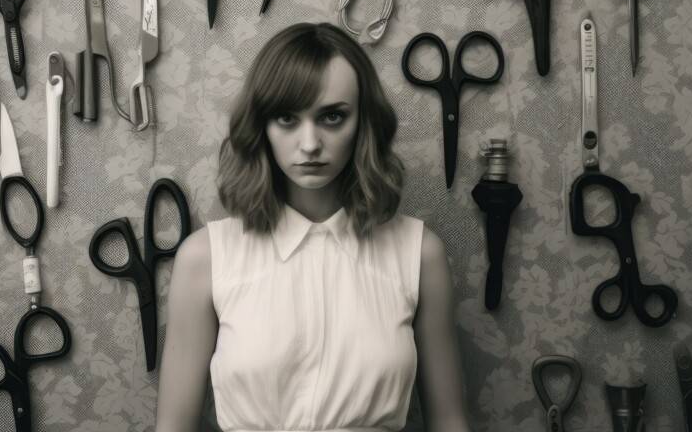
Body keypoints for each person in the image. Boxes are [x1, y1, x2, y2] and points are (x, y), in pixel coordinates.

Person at [156, 22, 471, 432]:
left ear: (363, 122)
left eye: (332, 117)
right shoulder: (204, 259)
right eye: (287, 118)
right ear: (262, 125)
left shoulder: (420, 254)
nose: (309, 144)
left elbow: (450, 423)